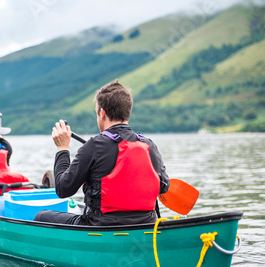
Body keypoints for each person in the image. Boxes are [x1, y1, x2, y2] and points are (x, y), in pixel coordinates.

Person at [34, 80, 170, 226]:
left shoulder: (94, 145)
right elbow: (164, 187)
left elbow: (63, 189)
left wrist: (62, 148)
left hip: (101, 227)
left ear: (102, 113)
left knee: (41, 216)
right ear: (128, 112)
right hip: (146, 225)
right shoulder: (148, 145)